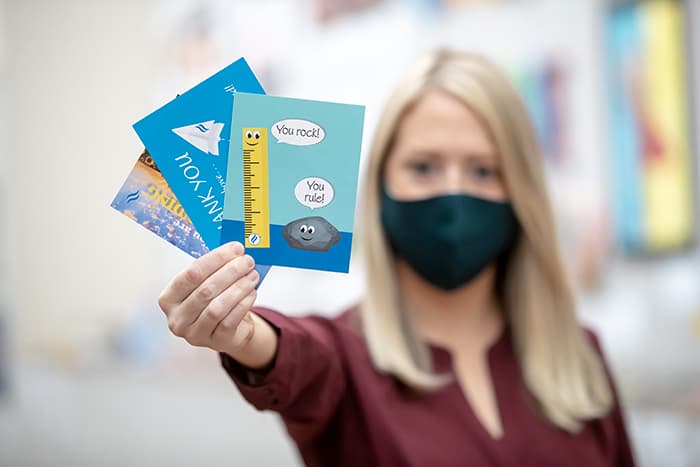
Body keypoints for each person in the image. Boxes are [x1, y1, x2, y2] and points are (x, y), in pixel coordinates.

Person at [157, 49, 636, 466]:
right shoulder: (345, 361)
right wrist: (241, 334)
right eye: (424, 166)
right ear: (380, 191)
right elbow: (291, 354)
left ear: (522, 191)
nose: (453, 193)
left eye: (484, 170)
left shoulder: (581, 354)